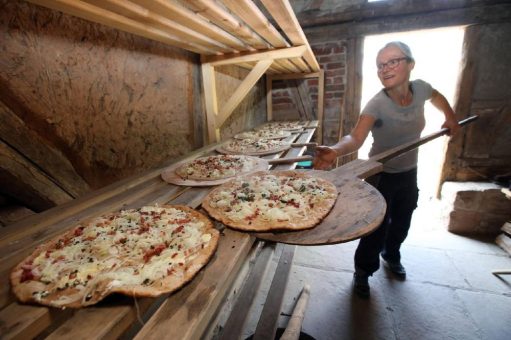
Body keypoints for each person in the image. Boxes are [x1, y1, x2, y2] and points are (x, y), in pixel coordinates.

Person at [313, 41, 460, 298]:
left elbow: (438, 96)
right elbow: (355, 138)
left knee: (402, 220)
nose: (385, 69)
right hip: (380, 174)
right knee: (375, 228)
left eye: (393, 61)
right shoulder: (376, 104)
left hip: (409, 171)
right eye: (381, 65)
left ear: (410, 64)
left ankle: (392, 255)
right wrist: (335, 151)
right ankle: (363, 271)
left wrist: (450, 116)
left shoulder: (422, 88)